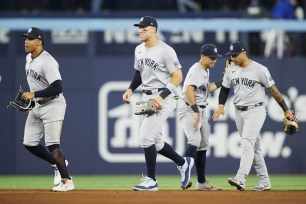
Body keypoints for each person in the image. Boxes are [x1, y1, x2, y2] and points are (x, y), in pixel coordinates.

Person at [122, 16, 194, 191]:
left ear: (154, 30)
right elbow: (139, 73)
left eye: (144, 28)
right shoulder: (139, 49)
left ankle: (151, 180)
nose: (140, 30)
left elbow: (178, 77)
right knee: (156, 141)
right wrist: (131, 89)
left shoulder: (165, 50)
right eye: (139, 28)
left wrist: (161, 97)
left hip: (165, 95)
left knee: (145, 136)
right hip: (147, 96)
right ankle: (183, 163)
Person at [212, 41, 296, 191]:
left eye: (235, 55)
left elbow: (274, 91)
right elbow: (224, 89)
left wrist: (286, 110)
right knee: (254, 147)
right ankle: (265, 182)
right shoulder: (232, 68)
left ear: (244, 53)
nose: (233, 58)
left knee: (246, 143)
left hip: (255, 111)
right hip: (238, 111)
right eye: (231, 55)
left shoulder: (260, 70)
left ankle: (241, 178)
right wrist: (220, 106)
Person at [21, 27, 74, 192]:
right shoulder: (29, 58)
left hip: (53, 105)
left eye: (30, 39)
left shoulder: (47, 61)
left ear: (39, 41)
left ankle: (67, 181)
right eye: (26, 38)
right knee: (29, 144)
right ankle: (57, 163)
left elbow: (58, 87)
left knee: (53, 146)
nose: (26, 41)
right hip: (37, 105)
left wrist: (34, 93)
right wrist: (33, 98)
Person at [178, 44, 222, 191]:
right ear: (202, 56)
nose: (214, 60)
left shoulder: (204, 70)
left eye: (215, 58)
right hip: (190, 109)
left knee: (203, 144)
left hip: (200, 110)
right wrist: (196, 111)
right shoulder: (196, 70)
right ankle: (184, 173)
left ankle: (201, 183)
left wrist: (224, 81)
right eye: (211, 57)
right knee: (194, 141)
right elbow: (188, 91)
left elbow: (207, 88)